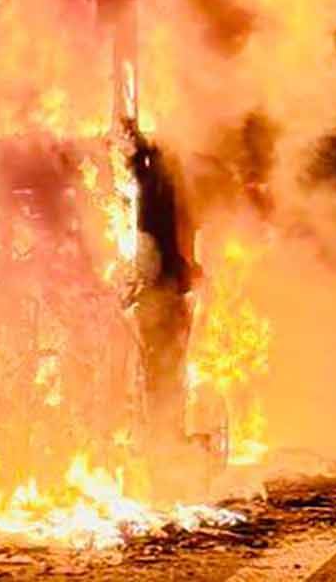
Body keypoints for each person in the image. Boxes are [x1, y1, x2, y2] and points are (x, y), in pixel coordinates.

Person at [122, 118, 197, 446]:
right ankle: (166, 433)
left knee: (161, 374)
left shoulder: (161, 203)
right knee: (165, 374)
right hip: (165, 298)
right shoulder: (170, 197)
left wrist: (137, 146)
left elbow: (147, 181)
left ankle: (163, 434)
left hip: (162, 299)